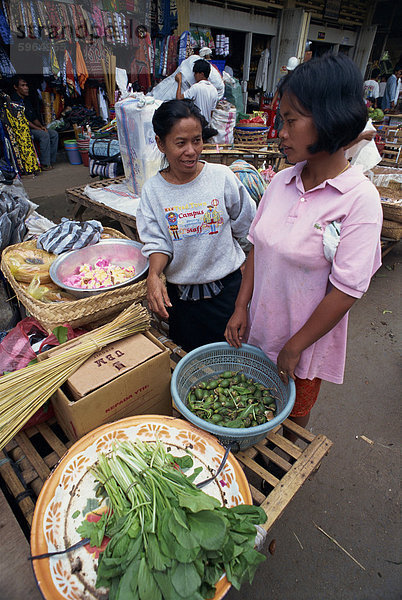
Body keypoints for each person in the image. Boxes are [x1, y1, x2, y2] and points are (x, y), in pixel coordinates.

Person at [224, 53, 382, 438]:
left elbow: (347, 289)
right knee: (250, 408)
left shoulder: (359, 200)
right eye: (282, 121)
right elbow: (257, 247)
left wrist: (295, 347)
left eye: (291, 121)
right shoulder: (281, 181)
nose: (280, 132)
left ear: (329, 120)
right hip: (260, 328)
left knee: (291, 422)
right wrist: (241, 307)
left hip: (305, 344)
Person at [136, 99, 256, 352]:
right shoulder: (153, 191)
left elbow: (248, 229)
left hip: (228, 294)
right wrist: (154, 275)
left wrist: (248, 275)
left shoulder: (221, 178)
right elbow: (157, 242)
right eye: (180, 143)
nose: (191, 150)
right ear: (161, 143)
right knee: (191, 363)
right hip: (182, 301)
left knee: (233, 362)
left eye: (197, 140)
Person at [11, 77, 58, 170]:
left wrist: (41, 126)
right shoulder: (14, 101)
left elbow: (34, 117)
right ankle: (45, 164)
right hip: (22, 130)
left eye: (26, 85)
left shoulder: (26, 101)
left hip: (33, 127)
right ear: (16, 87)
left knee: (53, 134)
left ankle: (50, 161)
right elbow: (24, 120)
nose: (26, 88)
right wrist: (38, 129)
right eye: (23, 86)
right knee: (44, 135)